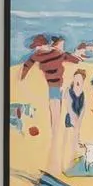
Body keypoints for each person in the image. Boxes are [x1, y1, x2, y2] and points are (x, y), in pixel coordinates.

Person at [17, 34, 70, 171]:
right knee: (55, 106)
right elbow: (27, 65)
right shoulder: (39, 55)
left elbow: (68, 57)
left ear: (45, 44)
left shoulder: (55, 53)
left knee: (59, 105)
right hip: (54, 85)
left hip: (61, 84)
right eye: (36, 47)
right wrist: (21, 77)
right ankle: (55, 127)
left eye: (38, 46)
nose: (37, 49)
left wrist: (76, 58)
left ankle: (57, 128)